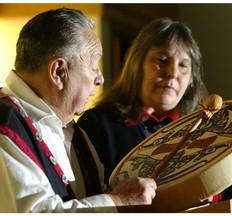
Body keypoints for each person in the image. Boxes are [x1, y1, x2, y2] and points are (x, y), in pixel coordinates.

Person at [77, 17, 232, 208]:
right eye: (162, 60)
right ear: (137, 65)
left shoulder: (216, 129)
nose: (172, 73)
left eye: (183, 65)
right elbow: (89, 201)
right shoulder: (97, 124)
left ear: (191, 79)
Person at [0, 8, 157, 213]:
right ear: (58, 72)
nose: (100, 78)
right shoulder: (5, 125)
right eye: (93, 66)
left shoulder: (75, 132)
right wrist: (119, 201)